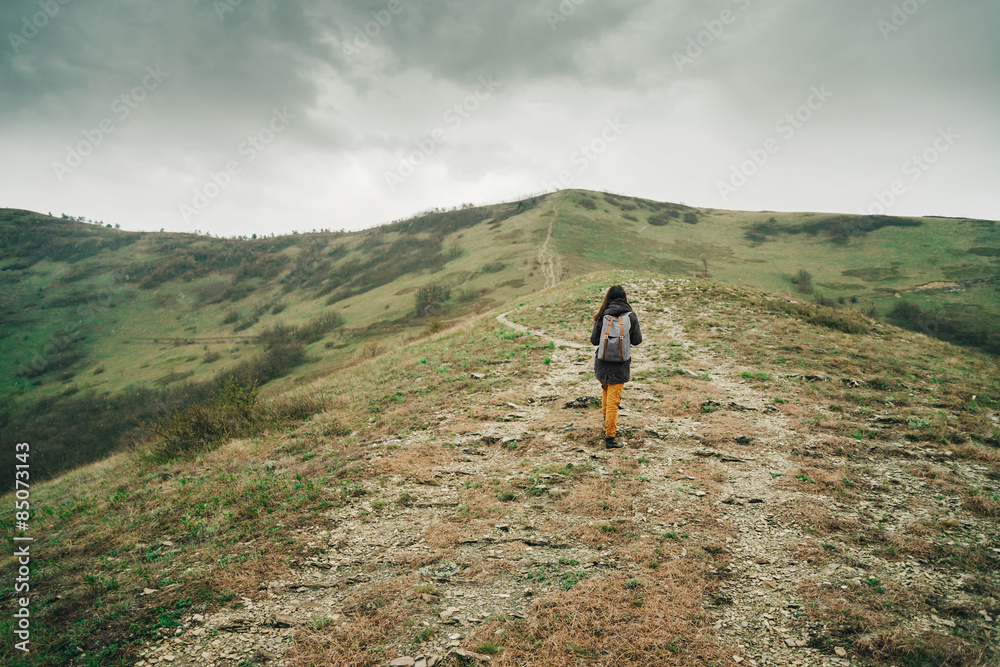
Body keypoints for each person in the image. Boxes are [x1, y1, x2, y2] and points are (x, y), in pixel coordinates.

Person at [589, 284, 642, 449]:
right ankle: (610, 437)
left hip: (602, 362)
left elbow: (593, 340)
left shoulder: (602, 315)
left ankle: (607, 427)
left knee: (606, 393)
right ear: (624, 297)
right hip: (620, 365)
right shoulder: (630, 316)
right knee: (613, 401)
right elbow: (637, 340)